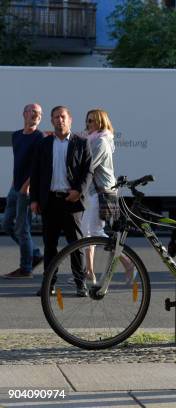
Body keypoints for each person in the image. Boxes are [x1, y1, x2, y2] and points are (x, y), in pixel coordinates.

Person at [30, 106, 92, 297]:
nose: (60, 120)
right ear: (51, 120)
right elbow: (36, 172)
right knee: (50, 246)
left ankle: (81, 284)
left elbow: (88, 171)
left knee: (76, 245)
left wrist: (78, 191)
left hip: (71, 201)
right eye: (56, 117)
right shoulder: (44, 143)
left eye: (63, 117)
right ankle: (48, 285)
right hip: (50, 202)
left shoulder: (81, 143)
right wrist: (34, 200)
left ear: (70, 119)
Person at [81, 109, 134, 284]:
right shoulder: (94, 139)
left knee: (93, 232)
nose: (88, 124)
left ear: (101, 123)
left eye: (92, 121)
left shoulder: (101, 141)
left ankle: (127, 262)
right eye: (88, 121)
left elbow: (88, 165)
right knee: (86, 232)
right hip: (95, 192)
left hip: (101, 192)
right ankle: (88, 271)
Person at [2, 104, 45, 279]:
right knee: (6, 224)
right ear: (24, 114)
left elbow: (37, 166)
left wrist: (26, 187)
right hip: (15, 188)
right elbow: (18, 162)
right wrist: (13, 185)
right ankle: (34, 253)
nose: (37, 115)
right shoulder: (16, 136)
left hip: (27, 190)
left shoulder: (39, 137)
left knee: (22, 228)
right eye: (33, 112)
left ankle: (25, 268)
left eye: (39, 113)